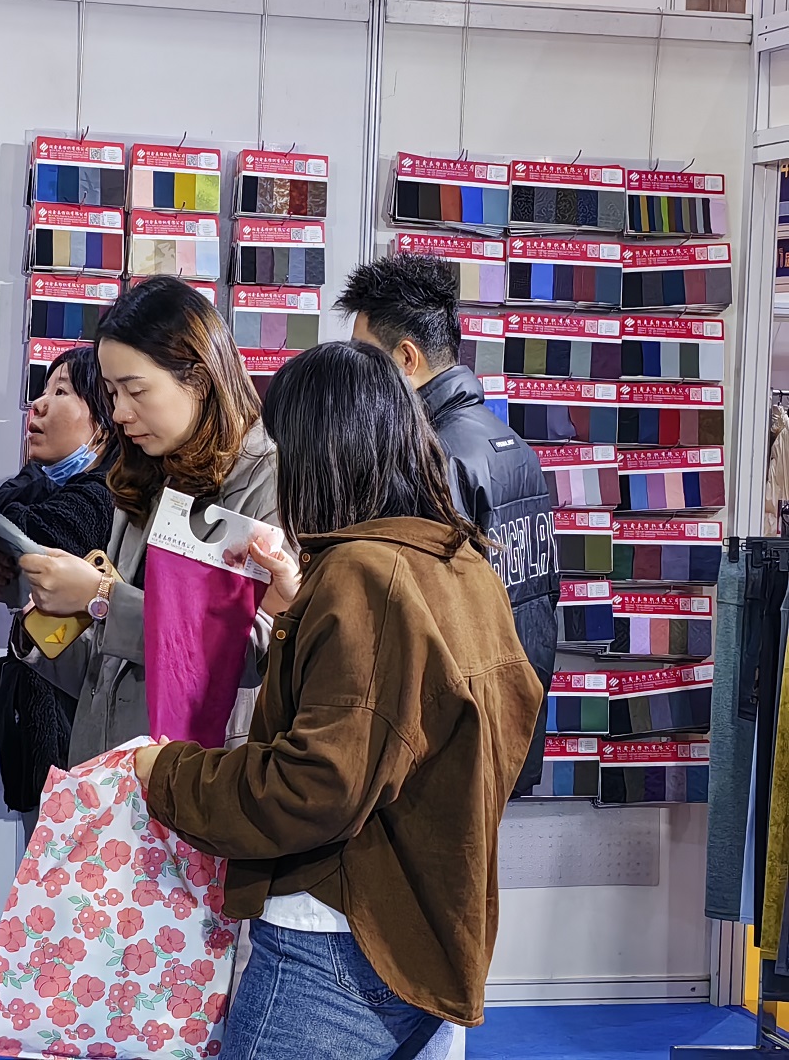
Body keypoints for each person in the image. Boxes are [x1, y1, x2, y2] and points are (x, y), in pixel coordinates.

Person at [133, 342, 543, 1060]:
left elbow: (314, 784)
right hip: (422, 928)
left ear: (319, 454)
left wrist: (167, 774)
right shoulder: (461, 563)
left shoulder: (363, 574)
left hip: (334, 941)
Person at [14, 275, 282, 766]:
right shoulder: (143, 476)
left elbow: (254, 653)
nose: (119, 413)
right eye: (111, 393)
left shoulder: (266, 475)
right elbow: (106, 675)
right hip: (109, 778)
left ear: (198, 378)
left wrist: (101, 598)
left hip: (199, 774)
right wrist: (38, 617)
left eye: (135, 390)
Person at [336, 253, 558, 797]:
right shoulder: (514, 447)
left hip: (454, 742)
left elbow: (425, 619)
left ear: (406, 358)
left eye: (367, 358)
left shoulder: (430, 456)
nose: (361, 377)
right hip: (510, 717)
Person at [0, 348, 117, 834]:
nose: (39, 404)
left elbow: (17, 524)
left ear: (104, 421)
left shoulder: (104, 496)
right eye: (43, 389)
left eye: (62, 391)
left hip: (84, 772)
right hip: (54, 770)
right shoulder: (57, 488)